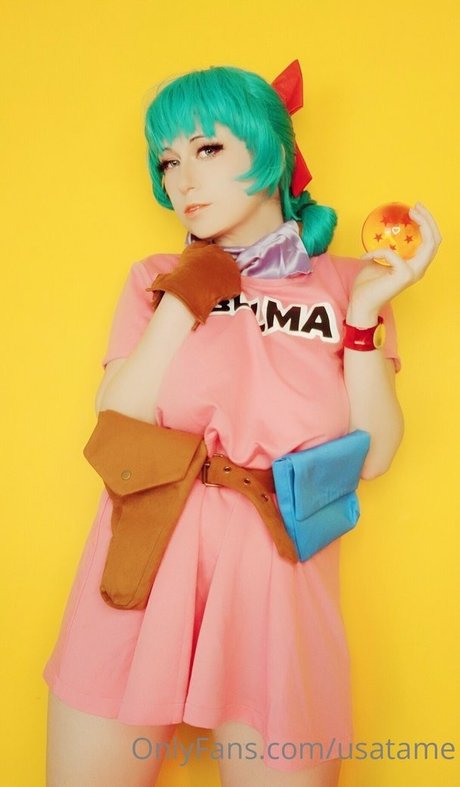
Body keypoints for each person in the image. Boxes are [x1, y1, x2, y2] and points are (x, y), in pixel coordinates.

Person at [43, 62, 441, 787]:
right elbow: (119, 415)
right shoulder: (154, 276)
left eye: (207, 149)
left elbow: (376, 454)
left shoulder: (348, 283)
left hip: (275, 573)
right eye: (168, 161)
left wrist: (362, 317)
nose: (182, 179)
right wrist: (185, 292)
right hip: (144, 554)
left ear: (273, 150)